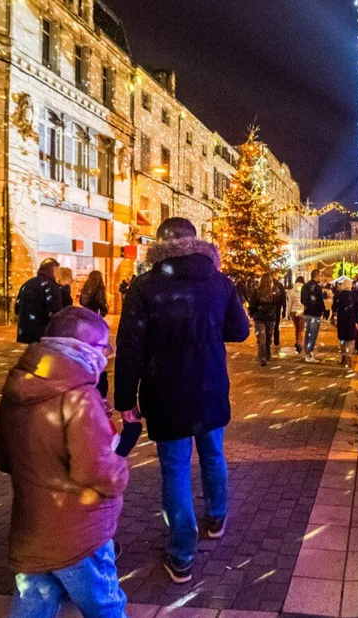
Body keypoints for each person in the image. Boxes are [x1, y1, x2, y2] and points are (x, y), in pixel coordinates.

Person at [114, 217, 250, 584]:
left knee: (174, 469)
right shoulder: (220, 282)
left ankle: (182, 554)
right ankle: (217, 517)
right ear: (196, 241)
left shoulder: (145, 286)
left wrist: (124, 399)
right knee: (213, 454)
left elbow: (129, 349)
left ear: (159, 245)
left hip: (165, 391)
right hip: (209, 387)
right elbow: (239, 330)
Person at [0, 307, 129, 618]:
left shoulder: (18, 388)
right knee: (105, 607)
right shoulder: (79, 398)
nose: (107, 356)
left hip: (32, 532)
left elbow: (2, 455)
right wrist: (121, 471)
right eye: (104, 347)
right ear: (82, 348)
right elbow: (95, 469)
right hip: (80, 535)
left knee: (33, 609)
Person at [16, 258, 67, 344]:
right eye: (57, 271)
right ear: (52, 270)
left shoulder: (27, 283)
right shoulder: (52, 286)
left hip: (27, 329)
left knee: (33, 353)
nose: (58, 274)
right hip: (43, 331)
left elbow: (17, 307)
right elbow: (56, 310)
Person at [249, 273, 282, 367]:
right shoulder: (258, 291)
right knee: (263, 338)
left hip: (267, 318)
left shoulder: (274, 291)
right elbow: (276, 305)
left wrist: (255, 312)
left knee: (267, 338)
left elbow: (253, 305)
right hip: (262, 318)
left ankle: (267, 353)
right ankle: (263, 356)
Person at [333, 279, 358, 368]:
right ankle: (349, 358)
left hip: (341, 319)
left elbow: (334, 307)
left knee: (342, 339)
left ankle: (343, 357)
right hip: (351, 320)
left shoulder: (338, 295)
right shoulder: (354, 295)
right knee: (350, 339)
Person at [301, 269, 325, 362]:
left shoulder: (305, 286)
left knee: (308, 333)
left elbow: (302, 299)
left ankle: (307, 353)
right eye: (320, 276)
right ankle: (309, 354)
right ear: (316, 276)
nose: (320, 278)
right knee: (313, 335)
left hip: (307, 313)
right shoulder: (317, 288)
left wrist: (307, 306)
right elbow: (320, 301)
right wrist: (322, 310)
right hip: (315, 314)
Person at [288, 276, 306, 354]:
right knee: (301, 329)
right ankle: (300, 344)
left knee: (297, 328)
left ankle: (297, 341)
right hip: (302, 312)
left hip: (293, 312)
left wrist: (288, 313)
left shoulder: (291, 290)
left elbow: (290, 303)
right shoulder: (305, 289)